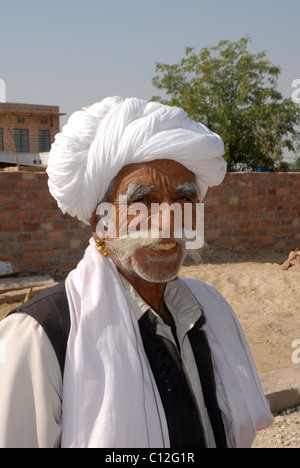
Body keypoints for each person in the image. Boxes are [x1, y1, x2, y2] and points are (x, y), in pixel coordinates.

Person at [0, 97, 273, 448]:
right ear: (100, 221)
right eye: (142, 202)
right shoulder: (40, 335)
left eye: (184, 200)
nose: (168, 221)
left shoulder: (210, 309)